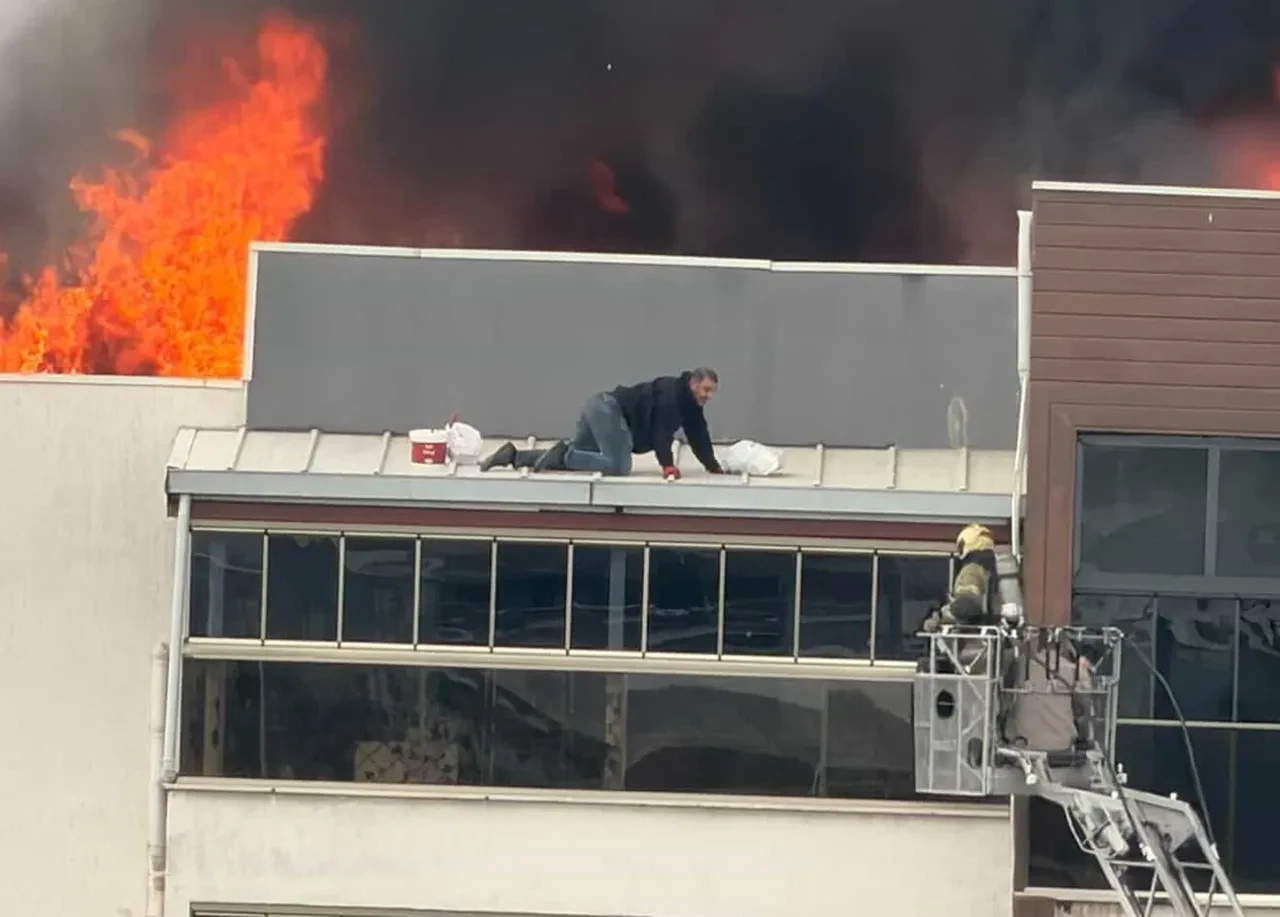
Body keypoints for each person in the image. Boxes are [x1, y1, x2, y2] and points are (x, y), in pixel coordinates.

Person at [479, 368, 725, 478]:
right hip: (610, 411)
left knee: (580, 459)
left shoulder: (690, 406)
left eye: (713, 392)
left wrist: (712, 466)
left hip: (598, 406)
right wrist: (667, 466)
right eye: (706, 390)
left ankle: (513, 456)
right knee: (618, 466)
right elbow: (662, 431)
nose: (709, 396)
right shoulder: (674, 396)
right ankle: (565, 453)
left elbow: (698, 435)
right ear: (693, 384)